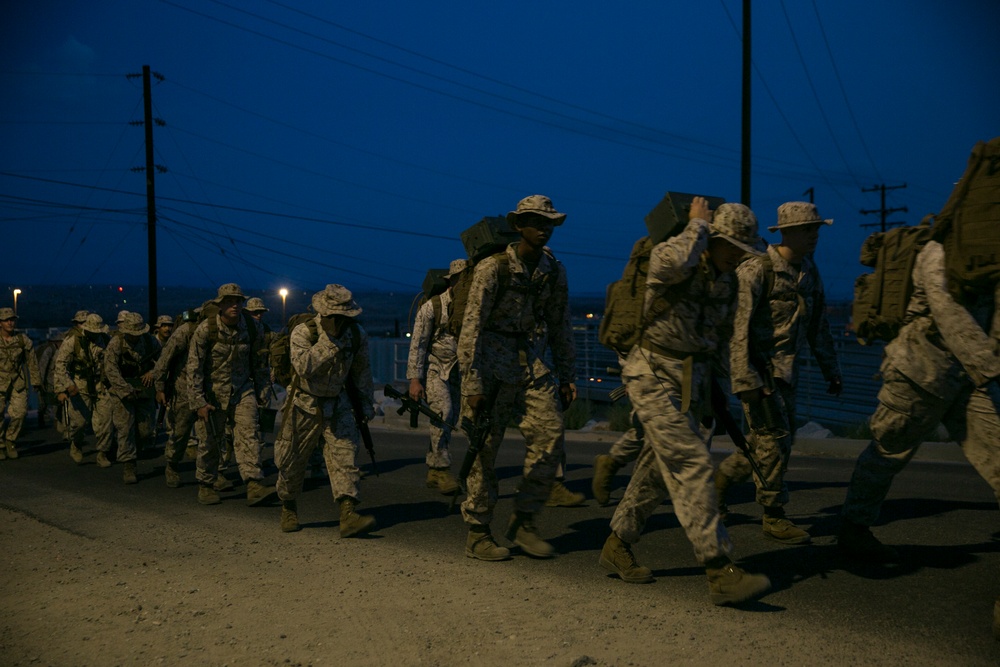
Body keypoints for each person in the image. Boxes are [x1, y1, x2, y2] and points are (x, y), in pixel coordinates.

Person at [599, 197, 771, 605]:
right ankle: (719, 567)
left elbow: (720, 340)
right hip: (650, 371)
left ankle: (617, 543)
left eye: (745, 251)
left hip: (692, 379)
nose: (738, 257)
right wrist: (696, 226)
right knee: (691, 462)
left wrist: (721, 391)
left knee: (659, 470)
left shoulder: (727, 282)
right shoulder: (678, 260)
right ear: (711, 239)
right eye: (731, 247)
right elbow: (665, 263)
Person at [838, 240, 1000, 562]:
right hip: (919, 372)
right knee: (886, 453)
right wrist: (990, 364)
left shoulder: (991, 252)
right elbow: (947, 311)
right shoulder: (939, 249)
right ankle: (854, 530)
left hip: (966, 378)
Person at [714, 201, 842, 544]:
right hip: (758, 373)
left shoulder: (808, 271)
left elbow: (818, 326)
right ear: (786, 232)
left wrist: (832, 370)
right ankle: (773, 514)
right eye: (807, 229)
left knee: (766, 443)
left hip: (787, 373)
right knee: (774, 440)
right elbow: (737, 330)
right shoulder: (757, 269)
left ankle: (719, 486)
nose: (814, 235)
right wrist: (744, 380)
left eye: (816, 229)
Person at [457, 194, 577, 561]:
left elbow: (560, 324)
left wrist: (567, 375)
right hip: (491, 364)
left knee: (550, 436)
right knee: (485, 451)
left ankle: (524, 520)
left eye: (549, 223)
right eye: (536, 223)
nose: (544, 229)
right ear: (518, 226)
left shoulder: (553, 271)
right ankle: (478, 533)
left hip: (532, 363)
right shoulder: (492, 268)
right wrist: (472, 384)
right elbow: (471, 327)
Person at [274, 284, 376, 537]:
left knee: (345, 457)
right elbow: (303, 367)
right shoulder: (304, 332)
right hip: (303, 404)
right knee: (291, 462)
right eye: (336, 317)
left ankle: (348, 513)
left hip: (338, 403)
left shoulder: (356, 334)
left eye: (345, 317)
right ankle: (288, 506)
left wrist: (365, 404)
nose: (341, 322)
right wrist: (330, 344)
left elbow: (361, 371)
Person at [186, 283, 274, 507]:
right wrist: (198, 402)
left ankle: (253, 484)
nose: (234, 305)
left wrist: (262, 393)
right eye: (229, 301)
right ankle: (206, 484)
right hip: (212, 394)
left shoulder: (253, 329)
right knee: (209, 442)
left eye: (238, 301)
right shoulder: (206, 329)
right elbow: (194, 367)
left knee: (248, 435)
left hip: (242, 390)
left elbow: (260, 363)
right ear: (220, 305)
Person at [406, 258, 466, 495]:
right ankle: (441, 469)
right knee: (443, 413)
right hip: (435, 369)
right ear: (452, 281)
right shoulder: (432, 307)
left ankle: (434, 466)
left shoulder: (470, 306)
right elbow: (418, 344)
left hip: (458, 371)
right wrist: (415, 379)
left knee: (451, 419)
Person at [101, 311, 160, 484]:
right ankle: (129, 465)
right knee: (125, 428)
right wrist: (126, 390)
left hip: (144, 389)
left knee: (146, 429)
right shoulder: (116, 344)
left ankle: (139, 446)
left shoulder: (151, 342)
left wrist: (152, 372)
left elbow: (163, 361)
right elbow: (111, 370)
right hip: (122, 391)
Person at [151, 308, 202, 488]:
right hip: (183, 390)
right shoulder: (185, 331)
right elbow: (163, 362)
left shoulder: (222, 331)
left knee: (211, 434)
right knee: (180, 433)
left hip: (206, 389)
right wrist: (160, 388)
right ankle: (172, 464)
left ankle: (212, 472)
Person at [53, 313, 111, 464]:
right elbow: (60, 364)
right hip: (80, 385)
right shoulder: (73, 341)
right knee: (79, 423)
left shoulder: (106, 340)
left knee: (105, 421)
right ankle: (76, 444)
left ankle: (103, 453)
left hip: (101, 385)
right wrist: (67, 384)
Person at [0, 307, 41, 459]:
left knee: (20, 412)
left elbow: (32, 362)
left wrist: (36, 381)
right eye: (6, 320)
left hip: (17, 381)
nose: (10, 323)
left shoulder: (23, 340)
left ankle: (10, 440)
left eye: (12, 319)